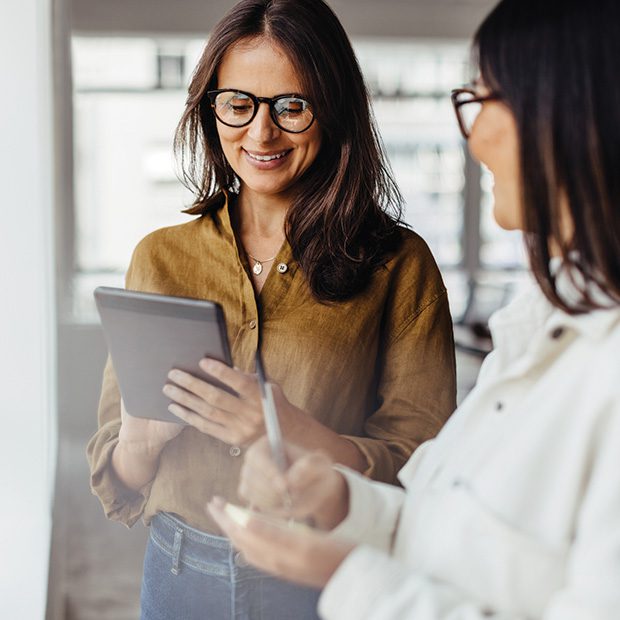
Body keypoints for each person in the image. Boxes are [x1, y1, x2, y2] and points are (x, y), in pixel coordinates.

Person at [208, 0, 620, 618]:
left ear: (577, 114)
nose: (473, 135)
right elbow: (447, 524)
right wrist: (344, 502)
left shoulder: (598, 367)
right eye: (239, 104)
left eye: (487, 101)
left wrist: (351, 578)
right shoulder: (536, 325)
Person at [86, 0, 457, 618]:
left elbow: (427, 469)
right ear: (211, 110)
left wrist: (287, 431)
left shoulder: (399, 264)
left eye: (292, 106)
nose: (261, 134)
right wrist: (141, 444)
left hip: (323, 578)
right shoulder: (159, 258)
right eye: (239, 104)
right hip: (177, 573)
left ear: (333, 110)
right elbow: (116, 479)